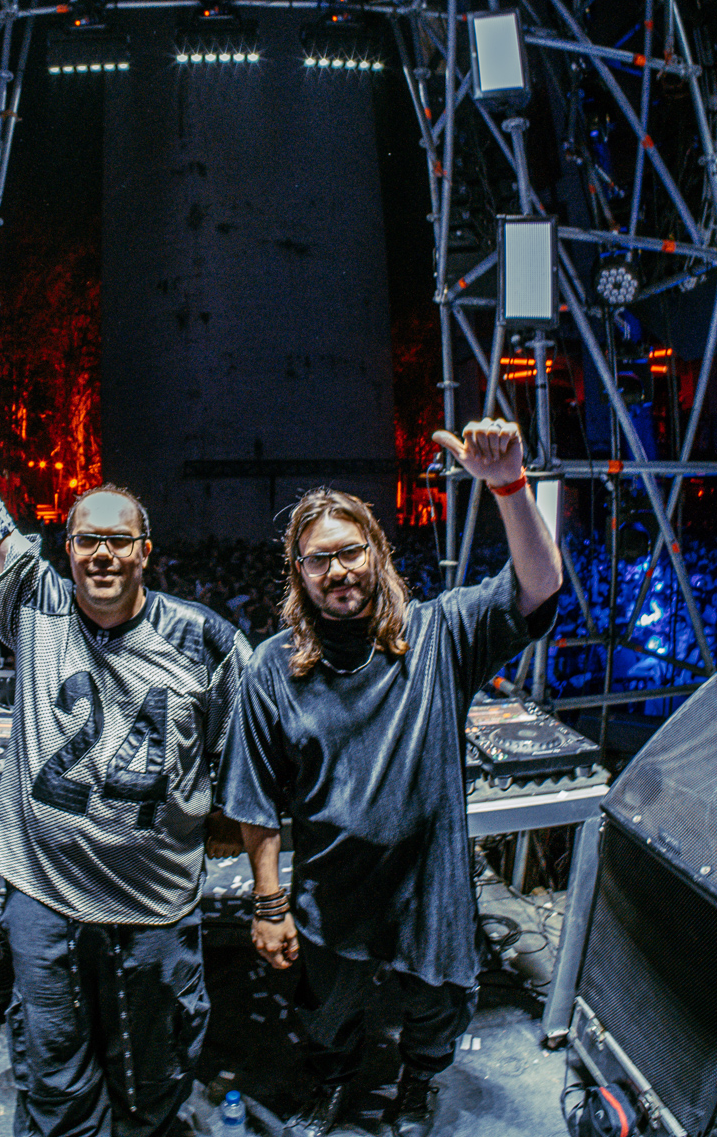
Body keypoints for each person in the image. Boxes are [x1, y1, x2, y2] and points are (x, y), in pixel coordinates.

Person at [0, 318, 251, 1137]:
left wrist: (222, 845)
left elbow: (242, 770)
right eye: (86, 539)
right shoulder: (34, 606)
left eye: (117, 541)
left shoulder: (206, 640)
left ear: (145, 552)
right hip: (44, 900)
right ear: (65, 549)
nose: (101, 554)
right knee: (55, 1074)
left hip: (155, 908)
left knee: (155, 1071)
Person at [222, 418, 562, 1137]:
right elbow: (253, 797)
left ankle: (417, 1084)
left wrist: (509, 488)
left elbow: (537, 587)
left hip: (429, 893)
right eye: (319, 559)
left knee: (437, 1009)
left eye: (350, 551)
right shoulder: (271, 668)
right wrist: (268, 902)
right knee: (325, 1012)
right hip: (332, 894)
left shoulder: (439, 635)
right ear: (299, 574)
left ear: (377, 554)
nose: (338, 570)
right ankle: (332, 1083)